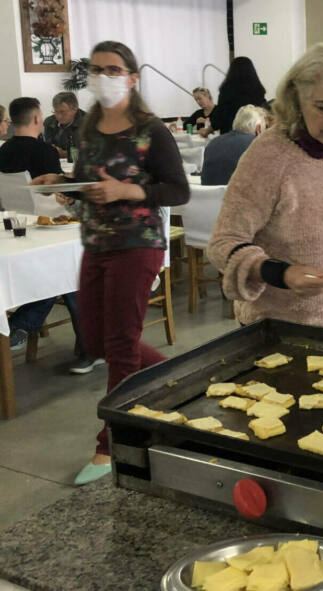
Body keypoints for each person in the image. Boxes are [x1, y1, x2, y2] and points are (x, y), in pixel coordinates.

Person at [31, 40, 190, 485]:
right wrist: (60, 182)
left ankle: (110, 445)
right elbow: (88, 180)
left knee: (120, 346)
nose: (105, 75)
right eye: (97, 69)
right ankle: (174, 378)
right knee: (98, 342)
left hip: (137, 245)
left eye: (114, 69)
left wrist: (127, 191)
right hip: (95, 242)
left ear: (132, 77)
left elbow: (178, 191)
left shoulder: (150, 130)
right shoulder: (90, 129)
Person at [209, 42, 323, 342]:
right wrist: (279, 273)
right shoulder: (271, 155)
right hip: (279, 333)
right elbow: (224, 243)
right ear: (297, 98)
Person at [0, 97, 99, 374]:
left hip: (17, 226)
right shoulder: (44, 151)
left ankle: (20, 326)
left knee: (60, 275)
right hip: (53, 223)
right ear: (36, 119)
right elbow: (58, 193)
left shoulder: (3, 151)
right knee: (70, 273)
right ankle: (88, 347)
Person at [201, 104, 266, 185]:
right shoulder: (256, 146)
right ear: (258, 129)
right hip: (237, 196)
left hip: (208, 196)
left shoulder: (212, 143)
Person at [207, 56, 266, 136]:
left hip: (230, 134)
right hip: (254, 133)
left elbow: (220, 116)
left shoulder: (226, 91)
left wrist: (208, 130)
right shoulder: (258, 91)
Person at [42, 92, 84, 158]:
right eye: (56, 111)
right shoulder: (49, 122)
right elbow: (47, 145)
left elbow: (92, 152)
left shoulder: (88, 123)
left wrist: (67, 154)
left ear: (75, 109)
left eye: (62, 112)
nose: (59, 116)